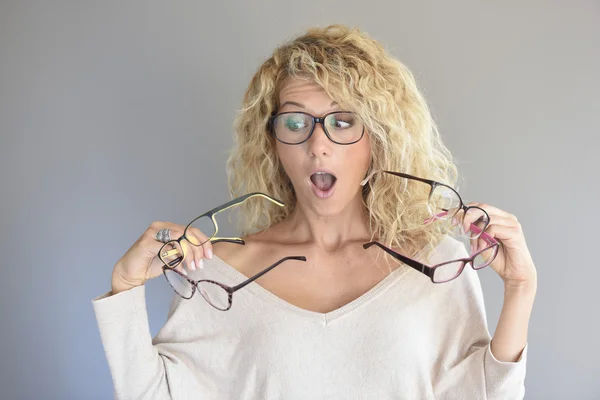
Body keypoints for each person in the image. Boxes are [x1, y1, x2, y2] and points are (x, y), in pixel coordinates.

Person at [93, 24, 536, 399]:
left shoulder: (436, 264)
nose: (317, 144)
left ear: (377, 141)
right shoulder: (218, 272)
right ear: (271, 143)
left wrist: (520, 288)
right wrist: (126, 286)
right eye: (295, 122)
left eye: (342, 121)